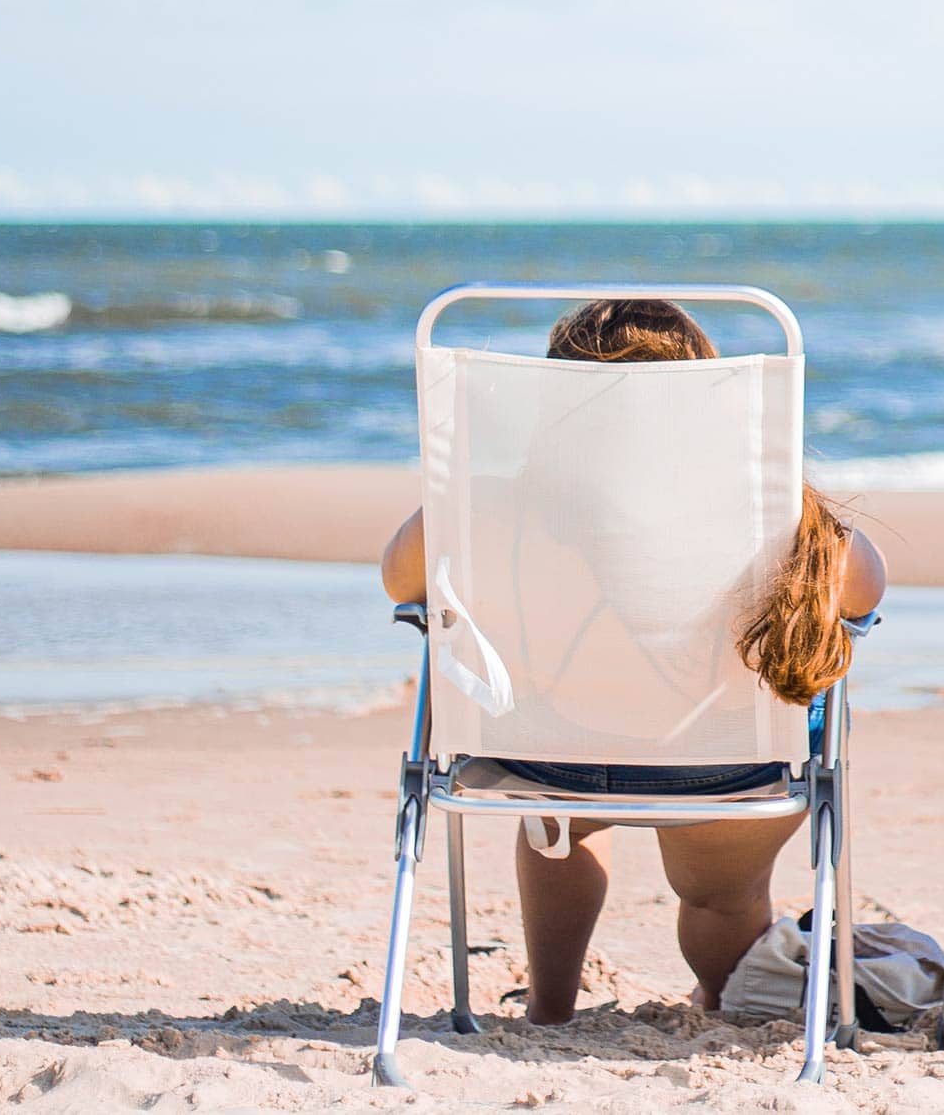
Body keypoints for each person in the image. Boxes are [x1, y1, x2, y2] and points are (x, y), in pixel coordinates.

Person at [379, 298, 887, 1026]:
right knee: (718, 894)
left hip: (549, 758)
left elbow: (402, 584)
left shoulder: (490, 507)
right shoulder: (770, 512)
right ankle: (717, 1003)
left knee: (557, 827)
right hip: (725, 769)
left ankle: (549, 1009)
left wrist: (454, 506)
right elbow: (862, 591)